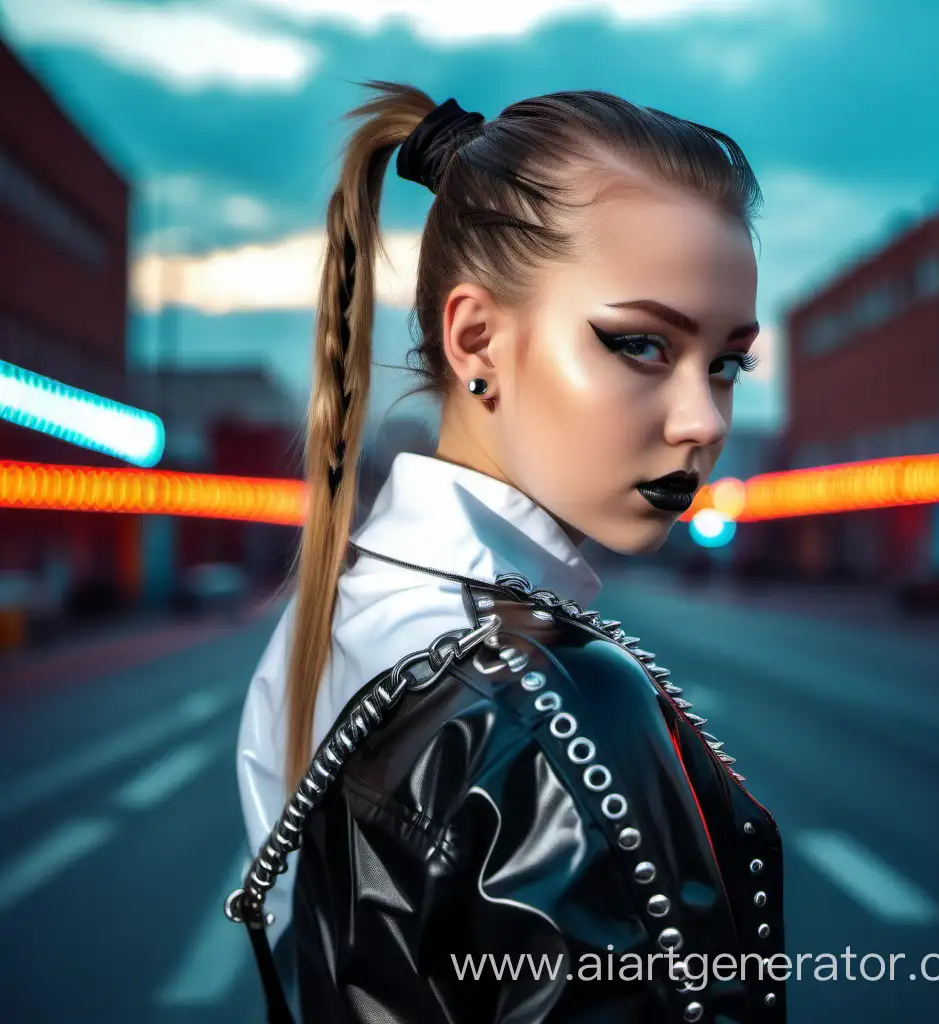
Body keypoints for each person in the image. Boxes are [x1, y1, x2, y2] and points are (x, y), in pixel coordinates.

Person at [228, 80, 785, 1023]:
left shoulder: (331, 623)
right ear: (476, 337)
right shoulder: (545, 695)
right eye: (642, 345)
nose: (702, 421)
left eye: (727, 363)